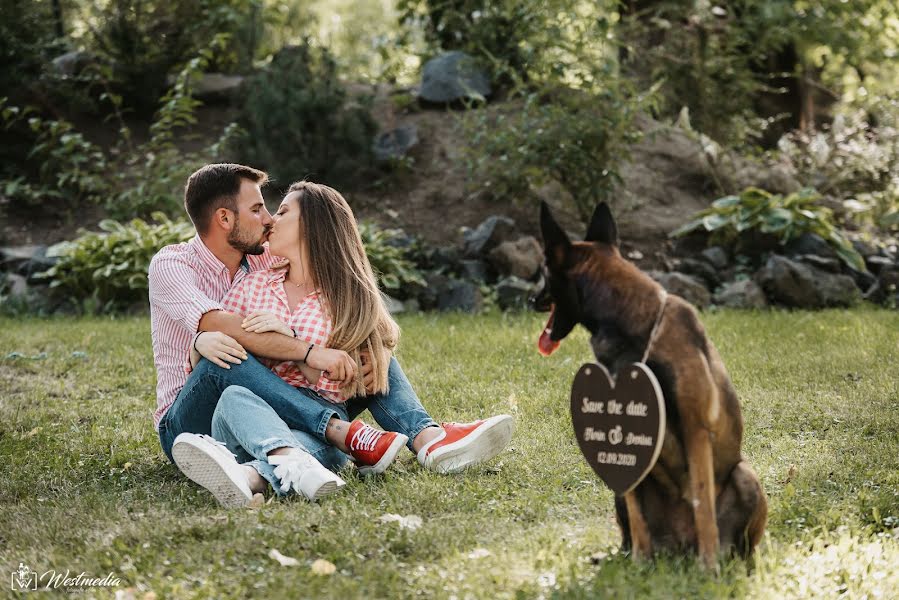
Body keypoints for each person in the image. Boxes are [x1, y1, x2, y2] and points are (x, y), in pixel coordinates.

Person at [149, 163, 514, 507]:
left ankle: (426, 439)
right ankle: (341, 433)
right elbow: (221, 325)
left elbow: (327, 269)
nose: (269, 218)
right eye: (258, 209)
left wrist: (373, 350)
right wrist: (308, 352)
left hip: (284, 401)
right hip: (191, 417)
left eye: (273, 210)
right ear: (225, 218)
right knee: (221, 357)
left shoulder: (264, 257)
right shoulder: (173, 264)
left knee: (367, 352)